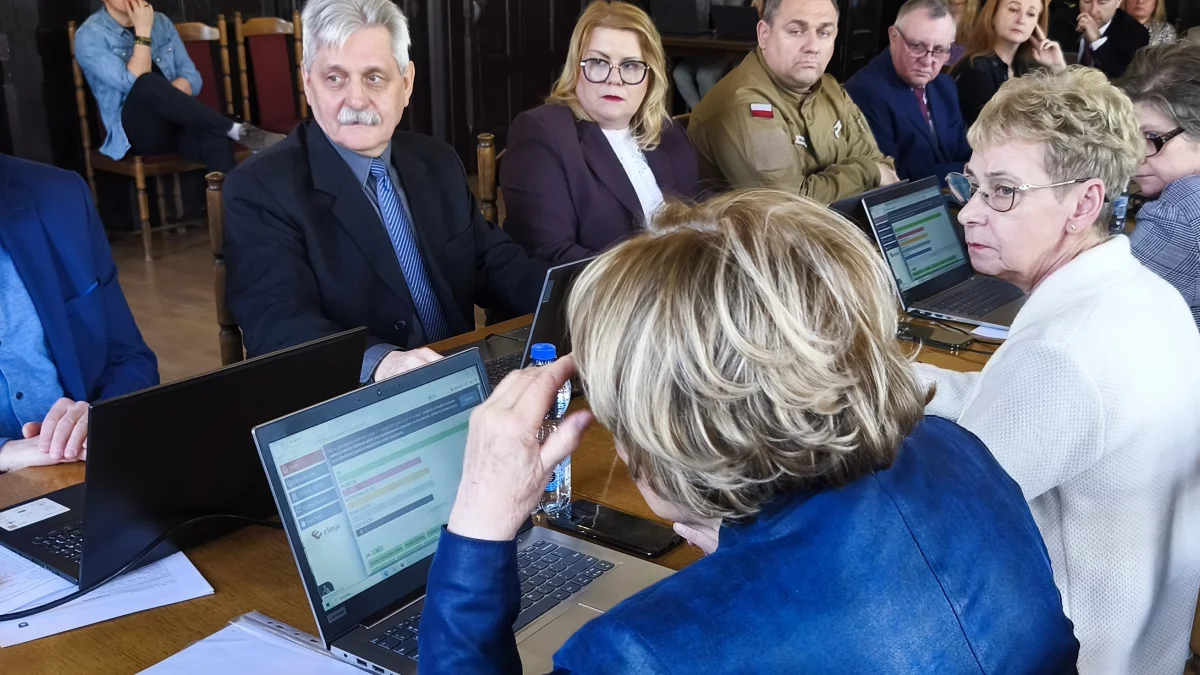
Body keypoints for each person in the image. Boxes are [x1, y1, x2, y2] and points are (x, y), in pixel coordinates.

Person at [417, 190, 1082, 673]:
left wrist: (479, 520)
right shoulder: (957, 451)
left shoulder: (635, 654)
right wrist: (742, 545)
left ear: (672, 433)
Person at [919, 67, 1200, 673]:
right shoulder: (1148, 295)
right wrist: (891, 383)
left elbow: (930, 529)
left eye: (1003, 191)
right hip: (1152, 649)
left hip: (1073, 654)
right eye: (972, 185)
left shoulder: (1063, 354)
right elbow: (1003, 402)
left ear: (1085, 203)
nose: (968, 214)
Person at [223, 0, 549, 385]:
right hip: (352, 399)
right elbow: (277, 324)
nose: (356, 99)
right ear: (308, 84)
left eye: (374, 77)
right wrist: (382, 363)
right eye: (335, 78)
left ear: (406, 83)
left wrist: (581, 301)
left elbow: (495, 263)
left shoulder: (437, 161)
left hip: (461, 379)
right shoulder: (260, 188)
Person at [501, 1, 702, 265]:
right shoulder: (541, 133)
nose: (614, 79)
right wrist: (650, 279)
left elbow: (699, 228)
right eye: (599, 62)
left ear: (650, 77)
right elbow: (551, 256)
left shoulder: (669, 134)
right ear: (576, 68)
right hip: (598, 291)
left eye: (630, 65)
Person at [0, 154, 159, 474]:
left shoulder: (63, 196)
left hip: (87, 464)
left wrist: (99, 418)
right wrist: (6, 453)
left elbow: (131, 358)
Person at [687, 0, 899, 203]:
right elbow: (790, 207)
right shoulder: (743, 105)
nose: (813, 46)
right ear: (764, 34)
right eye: (796, 31)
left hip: (835, 224)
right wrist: (866, 172)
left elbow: (885, 169)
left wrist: (872, 172)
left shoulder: (830, 89)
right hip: (761, 229)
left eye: (824, 33)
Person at [74, 0, 285, 172]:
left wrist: (168, 100)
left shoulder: (161, 23)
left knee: (216, 138)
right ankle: (235, 128)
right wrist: (143, 31)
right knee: (146, 82)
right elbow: (132, 82)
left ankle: (228, 210)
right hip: (135, 133)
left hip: (177, 120)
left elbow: (192, 78)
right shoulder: (90, 35)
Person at [1117, 42, 1200, 330]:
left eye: (1152, 136)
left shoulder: (1182, 212)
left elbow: (1104, 314)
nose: (1135, 155)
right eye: (1130, 137)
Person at [845, 0, 972, 182]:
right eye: (917, 46)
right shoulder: (865, 91)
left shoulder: (945, 86)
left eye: (938, 50)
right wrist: (967, 171)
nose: (927, 61)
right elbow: (894, 174)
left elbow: (964, 150)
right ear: (894, 37)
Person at [951, 0, 1066, 126]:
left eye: (1031, 14)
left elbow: (1063, 118)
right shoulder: (976, 70)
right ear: (993, 15)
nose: (1021, 20)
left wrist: (1057, 67)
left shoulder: (1024, 68)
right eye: (1013, 10)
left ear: (1036, 25)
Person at [1048, 0, 1149, 78]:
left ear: (1118, 2)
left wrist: (1097, 42)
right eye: (1087, 1)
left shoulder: (1135, 32)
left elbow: (1122, 80)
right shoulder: (1062, 20)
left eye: (1102, 2)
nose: (1093, 11)